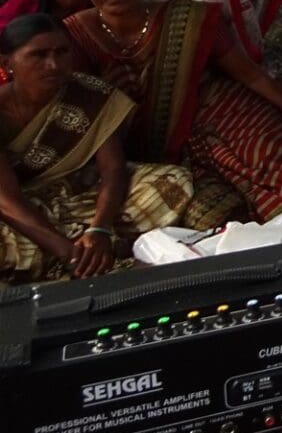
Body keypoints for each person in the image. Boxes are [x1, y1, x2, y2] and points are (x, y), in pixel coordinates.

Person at [66, 0, 282, 220]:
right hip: (149, 147)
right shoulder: (77, 34)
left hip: (221, 113)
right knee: (209, 217)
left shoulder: (189, 17)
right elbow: (88, 113)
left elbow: (251, 75)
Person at [0, 16, 214, 284]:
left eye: (61, 52)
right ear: (7, 63)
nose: (53, 65)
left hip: (77, 196)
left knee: (172, 181)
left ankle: (91, 245)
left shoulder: (89, 93)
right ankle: (86, 253)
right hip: (19, 213)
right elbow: (7, 202)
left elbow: (113, 170)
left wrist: (99, 228)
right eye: (38, 55)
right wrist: (66, 251)